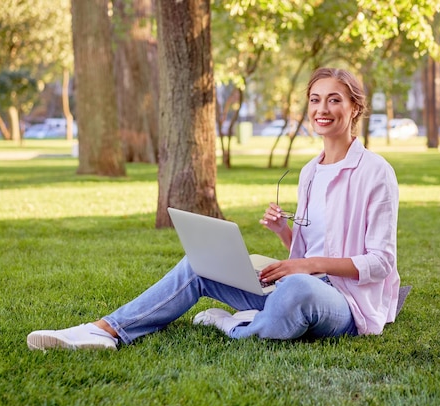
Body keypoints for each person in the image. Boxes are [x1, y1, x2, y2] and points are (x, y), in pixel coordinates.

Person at [26, 68, 401, 351]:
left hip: (344, 303)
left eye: (334, 99)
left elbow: (380, 262)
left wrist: (302, 267)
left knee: (298, 290)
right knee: (200, 263)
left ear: (355, 108)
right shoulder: (309, 172)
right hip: (299, 283)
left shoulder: (375, 172)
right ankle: (108, 330)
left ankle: (232, 325)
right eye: (316, 99)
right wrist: (284, 235)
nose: (323, 109)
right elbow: (302, 254)